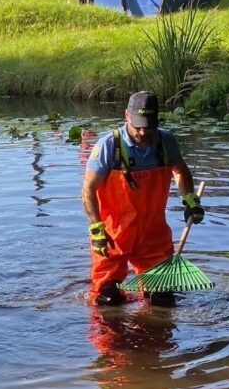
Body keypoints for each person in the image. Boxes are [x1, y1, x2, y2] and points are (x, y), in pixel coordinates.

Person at [81, 91, 204, 307]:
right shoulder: (109, 146)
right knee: (108, 301)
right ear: (126, 115)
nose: (143, 130)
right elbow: (88, 189)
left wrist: (190, 200)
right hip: (114, 236)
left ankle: (154, 335)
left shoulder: (165, 142)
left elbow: (181, 172)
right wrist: (96, 229)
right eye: (138, 124)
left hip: (152, 236)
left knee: (162, 301)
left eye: (148, 125)